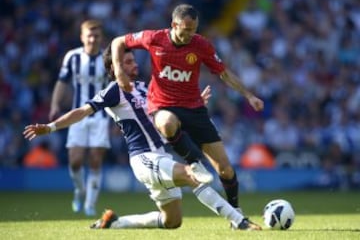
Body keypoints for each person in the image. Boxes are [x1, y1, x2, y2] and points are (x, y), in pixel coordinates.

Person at [23, 45, 261, 231]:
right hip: (143, 159)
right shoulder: (113, 91)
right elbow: (82, 111)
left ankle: (114, 223)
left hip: (161, 156)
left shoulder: (146, 88)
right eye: (127, 62)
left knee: (172, 221)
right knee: (193, 176)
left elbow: (168, 114)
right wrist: (51, 126)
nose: (134, 63)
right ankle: (239, 221)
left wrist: (195, 102)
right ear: (115, 68)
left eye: (133, 59)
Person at [110, 3, 264, 209]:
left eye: (194, 29)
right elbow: (117, 41)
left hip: (194, 108)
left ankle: (236, 210)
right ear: (174, 24)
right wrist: (119, 71)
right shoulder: (154, 38)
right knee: (166, 122)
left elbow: (223, 72)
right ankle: (194, 161)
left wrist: (249, 95)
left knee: (225, 169)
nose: (191, 34)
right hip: (162, 106)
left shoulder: (201, 45)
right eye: (187, 29)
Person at [48, 19, 110, 216]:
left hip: (101, 116)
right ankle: (79, 190)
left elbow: (116, 87)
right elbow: (62, 82)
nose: (92, 39)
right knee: (75, 161)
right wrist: (55, 105)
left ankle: (90, 205)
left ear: (101, 37)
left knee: (95, 160)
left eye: (96, 35)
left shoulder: (108, 58)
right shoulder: (73, 57)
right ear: (82, 37)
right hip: (77, 115)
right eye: (89, 35)